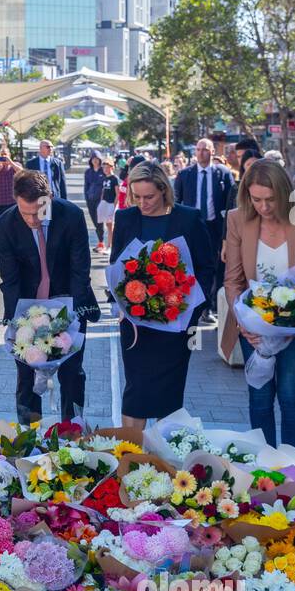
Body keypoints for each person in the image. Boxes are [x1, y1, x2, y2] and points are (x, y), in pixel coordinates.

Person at [221, 160, 295, 450]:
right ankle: (263, 465)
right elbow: (233, 279)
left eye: (270, 199)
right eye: (256, 199)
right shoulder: (238, 219)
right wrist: (244, 322)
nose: (263, 207)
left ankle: (293, 466)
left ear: (285, 193)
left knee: (290, 395)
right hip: (255, 326)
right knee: (260, 396)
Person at [110, 162, 215, 430]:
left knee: (170, 390)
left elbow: (206, 266)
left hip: (176, 322)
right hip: (135, 325)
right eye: (137, 197)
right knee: (136, 387)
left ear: (164, 191)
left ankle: (164, 460)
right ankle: (132, 457)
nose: (142, 203)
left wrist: (189, 306)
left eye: (149, 197)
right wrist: (122, 303)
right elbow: (116, 266)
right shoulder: (125, 218)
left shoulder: (188, 219)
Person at [0, 169, 97, 422]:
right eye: (25, 212)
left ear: (49, 199)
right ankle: (28, 435)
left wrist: (70, 317)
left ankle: (72, 431)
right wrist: (16, 321)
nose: (32, 220)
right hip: (27, 306)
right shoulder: (8, 223)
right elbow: (10, 278)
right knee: (26, 374)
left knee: (72, 372)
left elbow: (80, 269)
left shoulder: (71, 216)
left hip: (69, 301)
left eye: (37, 212)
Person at [174, 138, 235, 315]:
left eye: (205, 149)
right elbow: (176, 202)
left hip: (215, 227)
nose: (201, 153)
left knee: (214, 266)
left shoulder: (223, 173)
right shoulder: (185, 174)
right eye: (199, 149)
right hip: (192, 228)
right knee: (192, 265)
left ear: (212, 152)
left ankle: (210, 305)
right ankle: (194, 304)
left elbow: (232, 203)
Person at [0, 146, 21, 252]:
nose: (4, 156)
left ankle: (14, 241)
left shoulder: (15, 165)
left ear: (9, 155)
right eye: (2, 154)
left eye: (6, 154)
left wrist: (10, 162)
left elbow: (22, 172)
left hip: (12, 201)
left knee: (14, 222)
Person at [94, 157, 120, 254]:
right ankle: (108, 245)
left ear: (111, 167)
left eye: (107, 167)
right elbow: (103, 191)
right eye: (104, 168)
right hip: (104, 203)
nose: (105, 169)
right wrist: (101, 201)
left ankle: (110, 246)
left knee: (110, 226)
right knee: (106, 225)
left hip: (111, 204)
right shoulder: (105, 178)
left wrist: (114, 206)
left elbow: (117, 193)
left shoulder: (115, 179)